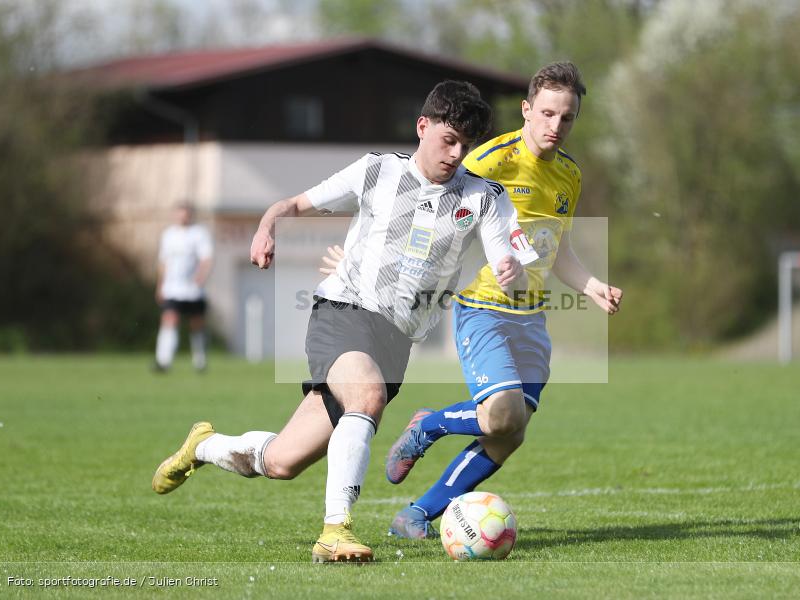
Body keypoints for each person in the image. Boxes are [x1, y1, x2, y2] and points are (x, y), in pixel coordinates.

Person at [150, 81, 536, 564]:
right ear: (423, 126)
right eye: (448, 140)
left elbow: (510, 263)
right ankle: (336, 530)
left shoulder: (484, 197)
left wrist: (510, 271)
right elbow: (289, 204)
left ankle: (204, 447)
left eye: (466, 145)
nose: (456, 154)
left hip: (397, 339)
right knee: (367, 395)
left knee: (281, 461)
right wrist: (266, 229)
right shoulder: (375, 170)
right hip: (343, 311)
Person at [326, 63, 622, 539]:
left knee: (510, 433)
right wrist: (368, 260)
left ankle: (417, 514)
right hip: (482, 306)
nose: (555, 126)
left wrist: (591, 286)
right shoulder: (489, 160)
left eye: (567, 118)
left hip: (532, 317)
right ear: (526, 110)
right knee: (501, 413)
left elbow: (558, 248)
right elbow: (428, 204)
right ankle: (431, 426)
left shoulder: (568, 174)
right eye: (546, 113)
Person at [154, 203, 213, 372]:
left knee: (196, 324)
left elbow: (206, 258)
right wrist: (160, 285)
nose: (182, 217)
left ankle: (200, 360)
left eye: (185, 214)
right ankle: (163, 361)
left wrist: (200, 277)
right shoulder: (168, 235)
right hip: (173, 288)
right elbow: (163, 262)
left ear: (191, 215)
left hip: (193, 290)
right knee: (169, 319)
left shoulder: (199, 233)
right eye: (179, 214)